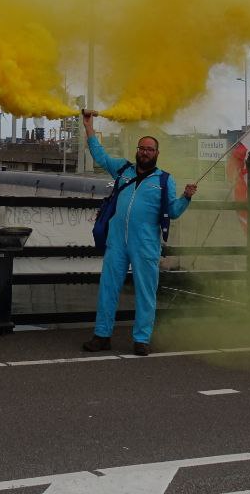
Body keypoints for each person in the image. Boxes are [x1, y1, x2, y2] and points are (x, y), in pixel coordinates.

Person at [80, 110, 197, 356]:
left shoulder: (165, 180)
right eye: (142, 148)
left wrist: (186, 197)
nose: (145, 152)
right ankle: (102, 335)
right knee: (108, 287)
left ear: (156, 153)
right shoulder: (123, 170)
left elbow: (172, 212)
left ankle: (141, 339)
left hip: (145, 244)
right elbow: (99, 155)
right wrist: (88, 126)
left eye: (150, 149)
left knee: (146, 291)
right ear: (137, 150)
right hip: (117, 242)